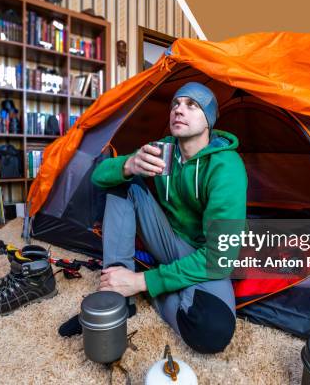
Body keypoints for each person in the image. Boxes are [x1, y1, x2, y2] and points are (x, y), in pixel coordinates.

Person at [58, 82, 248, 354]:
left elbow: (219, 259)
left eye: (191, 105)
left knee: (212, 332)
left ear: (208, 120)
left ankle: (134, 285)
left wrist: (141, 282)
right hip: (166, 240)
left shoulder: (226, 167)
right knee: (120, 182)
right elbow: (99, 177)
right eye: (175, 104)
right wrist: (129, 164)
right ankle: (115, 298)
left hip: (204, 256)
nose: (178, 110)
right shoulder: (163, 150)